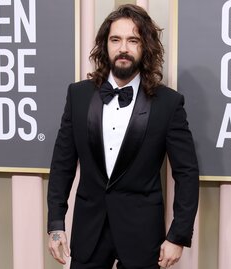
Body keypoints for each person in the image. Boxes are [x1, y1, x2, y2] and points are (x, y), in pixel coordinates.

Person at [47, 4, 199, 269]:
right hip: (89, 233)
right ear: (105, 45)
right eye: (115, 39)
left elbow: (186, 173)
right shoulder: (78, 96)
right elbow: (62, 164)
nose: (123, 48)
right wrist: (56, 224)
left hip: (142, 236)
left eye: (133, 40)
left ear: (145, 46)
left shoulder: (168, 103)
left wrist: (178, 235)